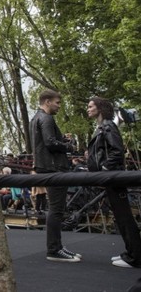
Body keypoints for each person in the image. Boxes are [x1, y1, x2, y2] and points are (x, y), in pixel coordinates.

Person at [86, 97, 141, 269]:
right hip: (108, 177)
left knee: (124, 216)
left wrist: (104, 169)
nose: (88, 109)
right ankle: (130, 252)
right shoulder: (102, 126)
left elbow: (117, 151)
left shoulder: (108, 126)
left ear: (100, 108)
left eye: (90, 106)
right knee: (120, 216)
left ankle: (135, 257)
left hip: (112, 177)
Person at [30, 89, 79, 262]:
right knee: (56, 209)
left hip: (46, 167)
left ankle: (56, 246)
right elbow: (50, 142)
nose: (59, 106)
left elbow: (46, 141)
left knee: (55, 209)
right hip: (54, 168)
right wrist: (69, 147)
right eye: (57, 102)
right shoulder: (46, 118)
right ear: (47, 101)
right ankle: (54, 249)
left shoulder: (35, 118)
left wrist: (61, 140)